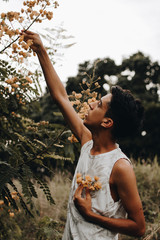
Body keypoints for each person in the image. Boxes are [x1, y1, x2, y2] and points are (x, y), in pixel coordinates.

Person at [22, 30, 145, 240]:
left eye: (98, 104)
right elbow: (60, 96)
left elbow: (139, 228)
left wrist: (90, 214)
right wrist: (41, 51)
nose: (90, 103)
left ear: (107, 122)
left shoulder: (120, 167)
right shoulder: (87, 143)